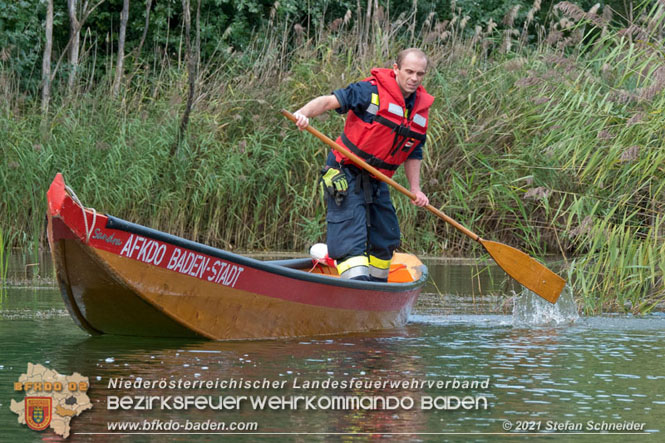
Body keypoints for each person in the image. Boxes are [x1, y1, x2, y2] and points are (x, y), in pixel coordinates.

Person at [293, 48, 434, 282]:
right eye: (409, 72)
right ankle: (356, 283)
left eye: (420, 74)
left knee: (386, 236)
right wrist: (303, 113)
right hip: (344, 170)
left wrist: (416, 189)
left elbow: (413, 151)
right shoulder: (369, 91)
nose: (414, 78)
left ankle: (377, 288)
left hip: (377, 177)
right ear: (396, 69)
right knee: (351, 235)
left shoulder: (418, 108)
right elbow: (329, 101)